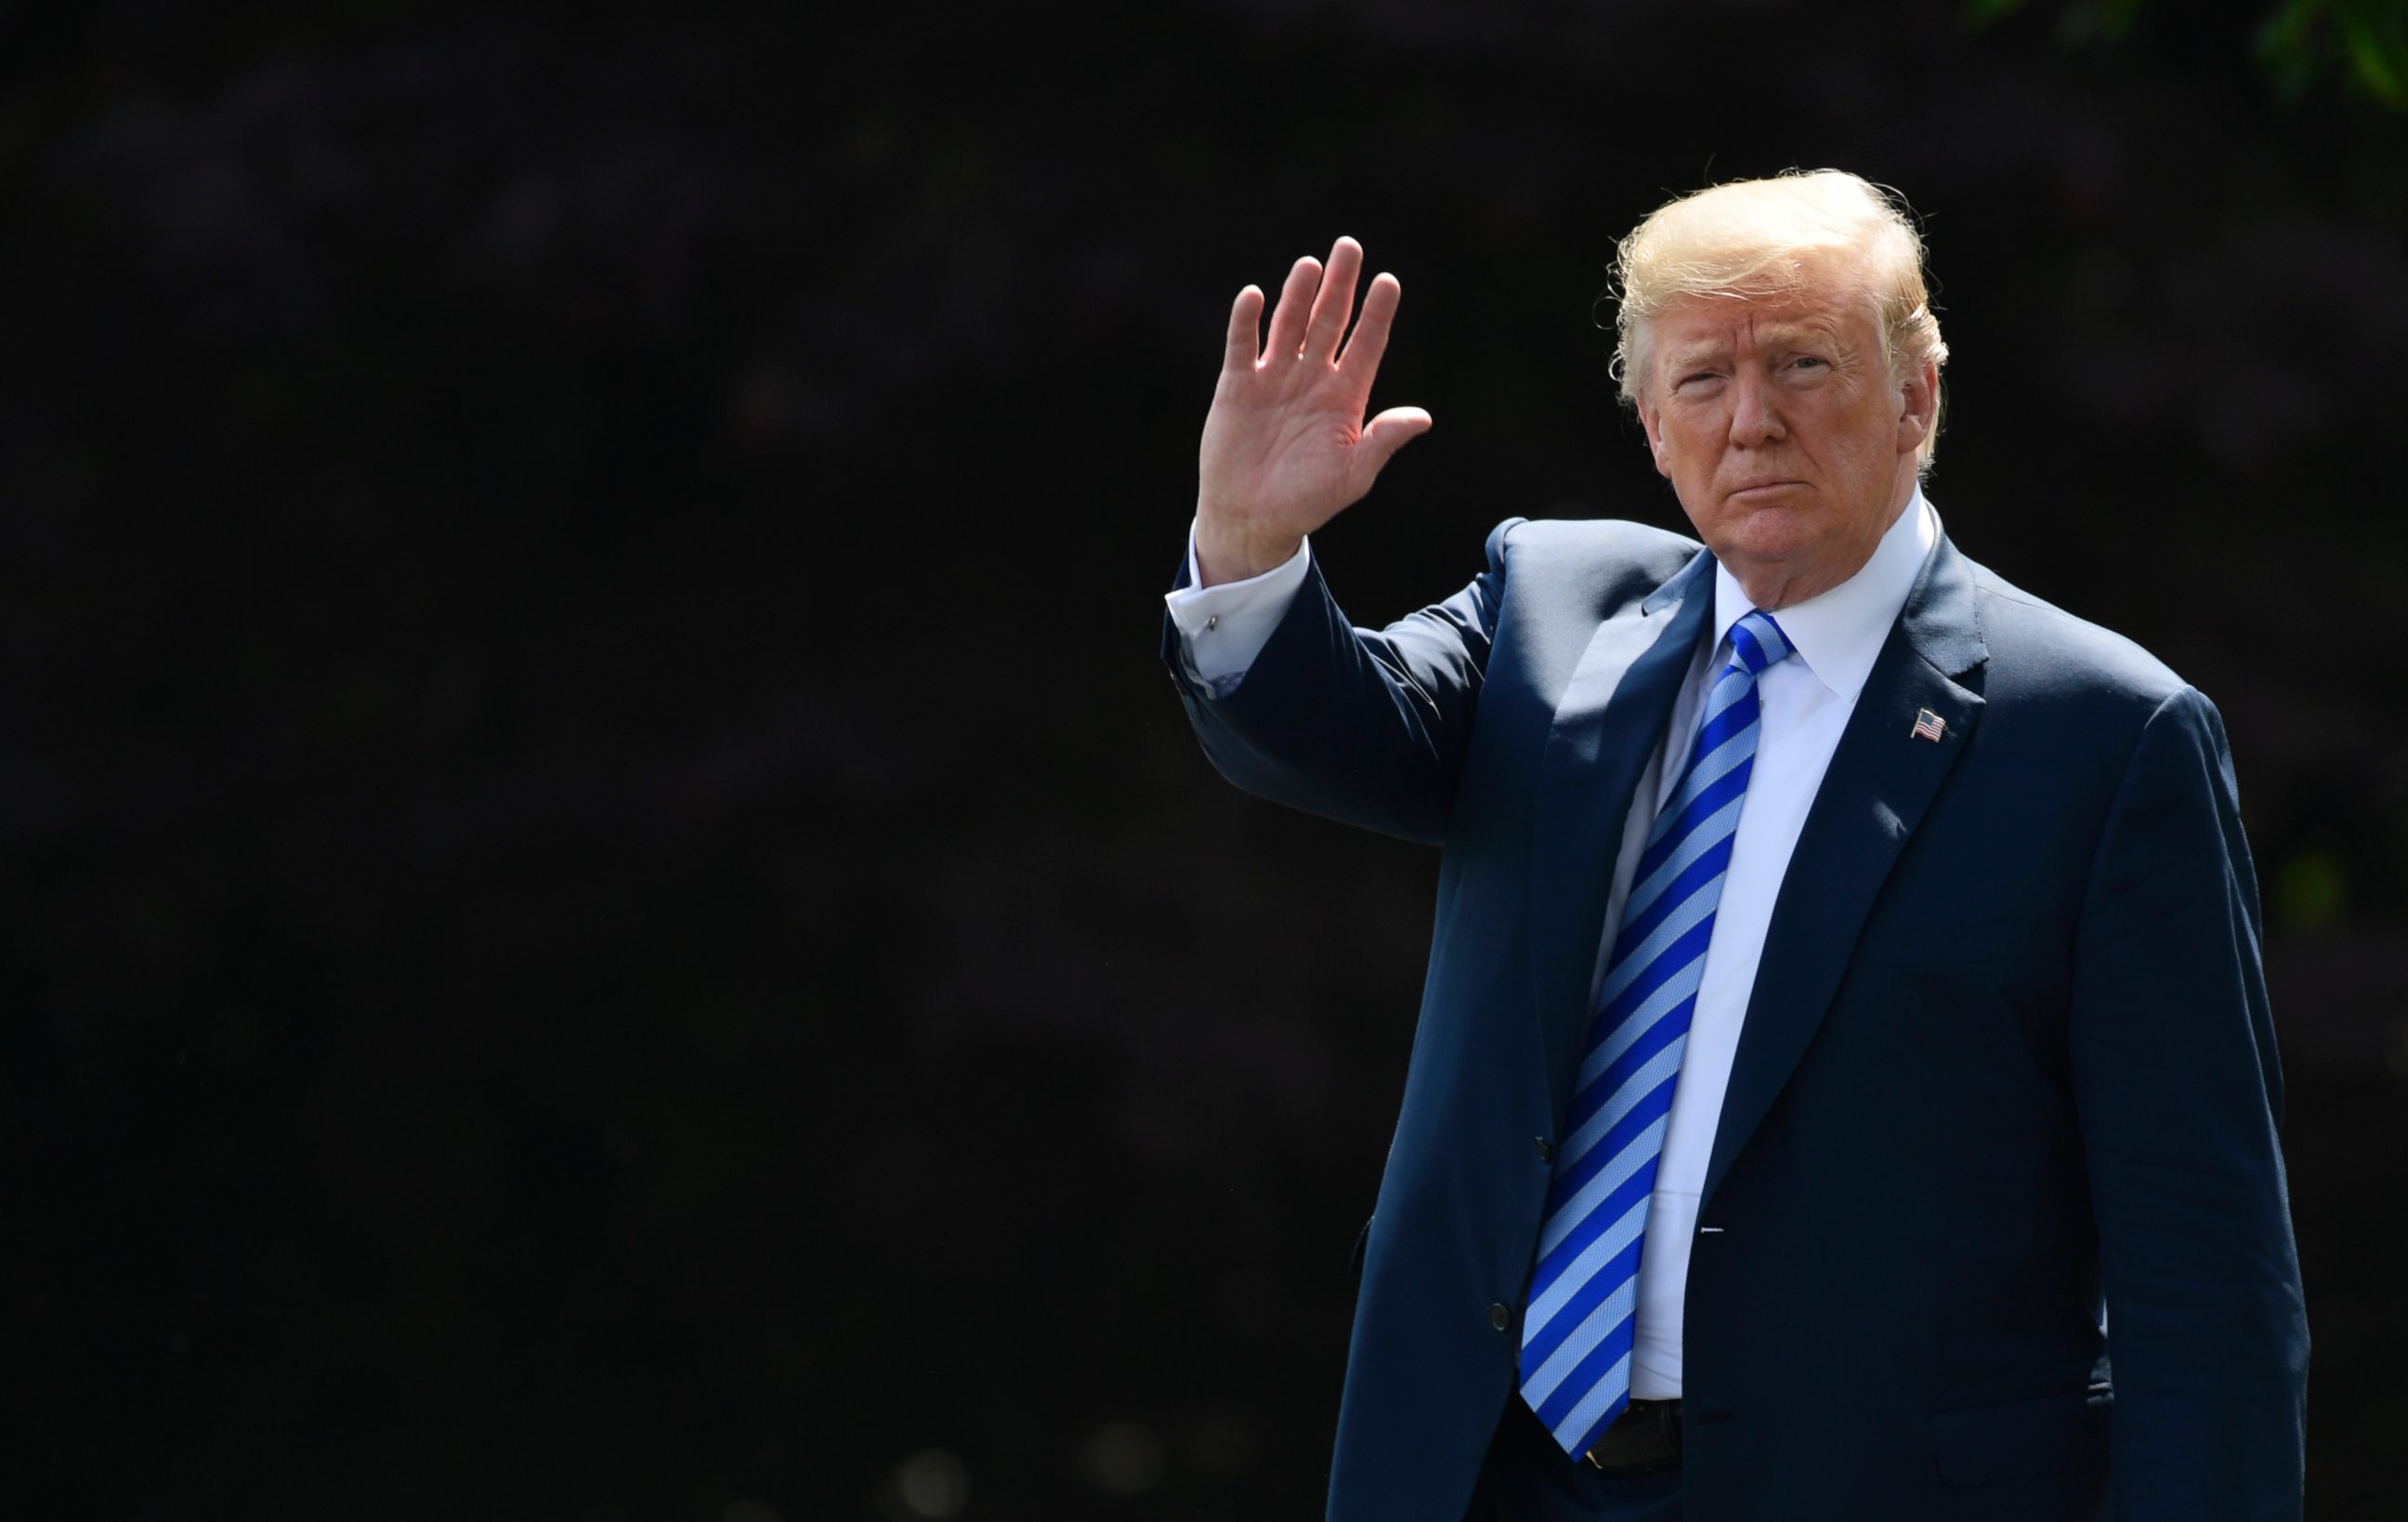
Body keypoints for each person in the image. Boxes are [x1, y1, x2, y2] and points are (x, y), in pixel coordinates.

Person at [1159, 171, 2307, 1522]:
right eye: (1701, 380)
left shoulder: (2104, 736)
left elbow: (2206, 1276)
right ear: (1652, 425)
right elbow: (1318, 726)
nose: (1752, 421)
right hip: (1495, 1475)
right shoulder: (1552, 610)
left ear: (1916, 397)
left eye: (1805, 365)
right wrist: (1248, 545)